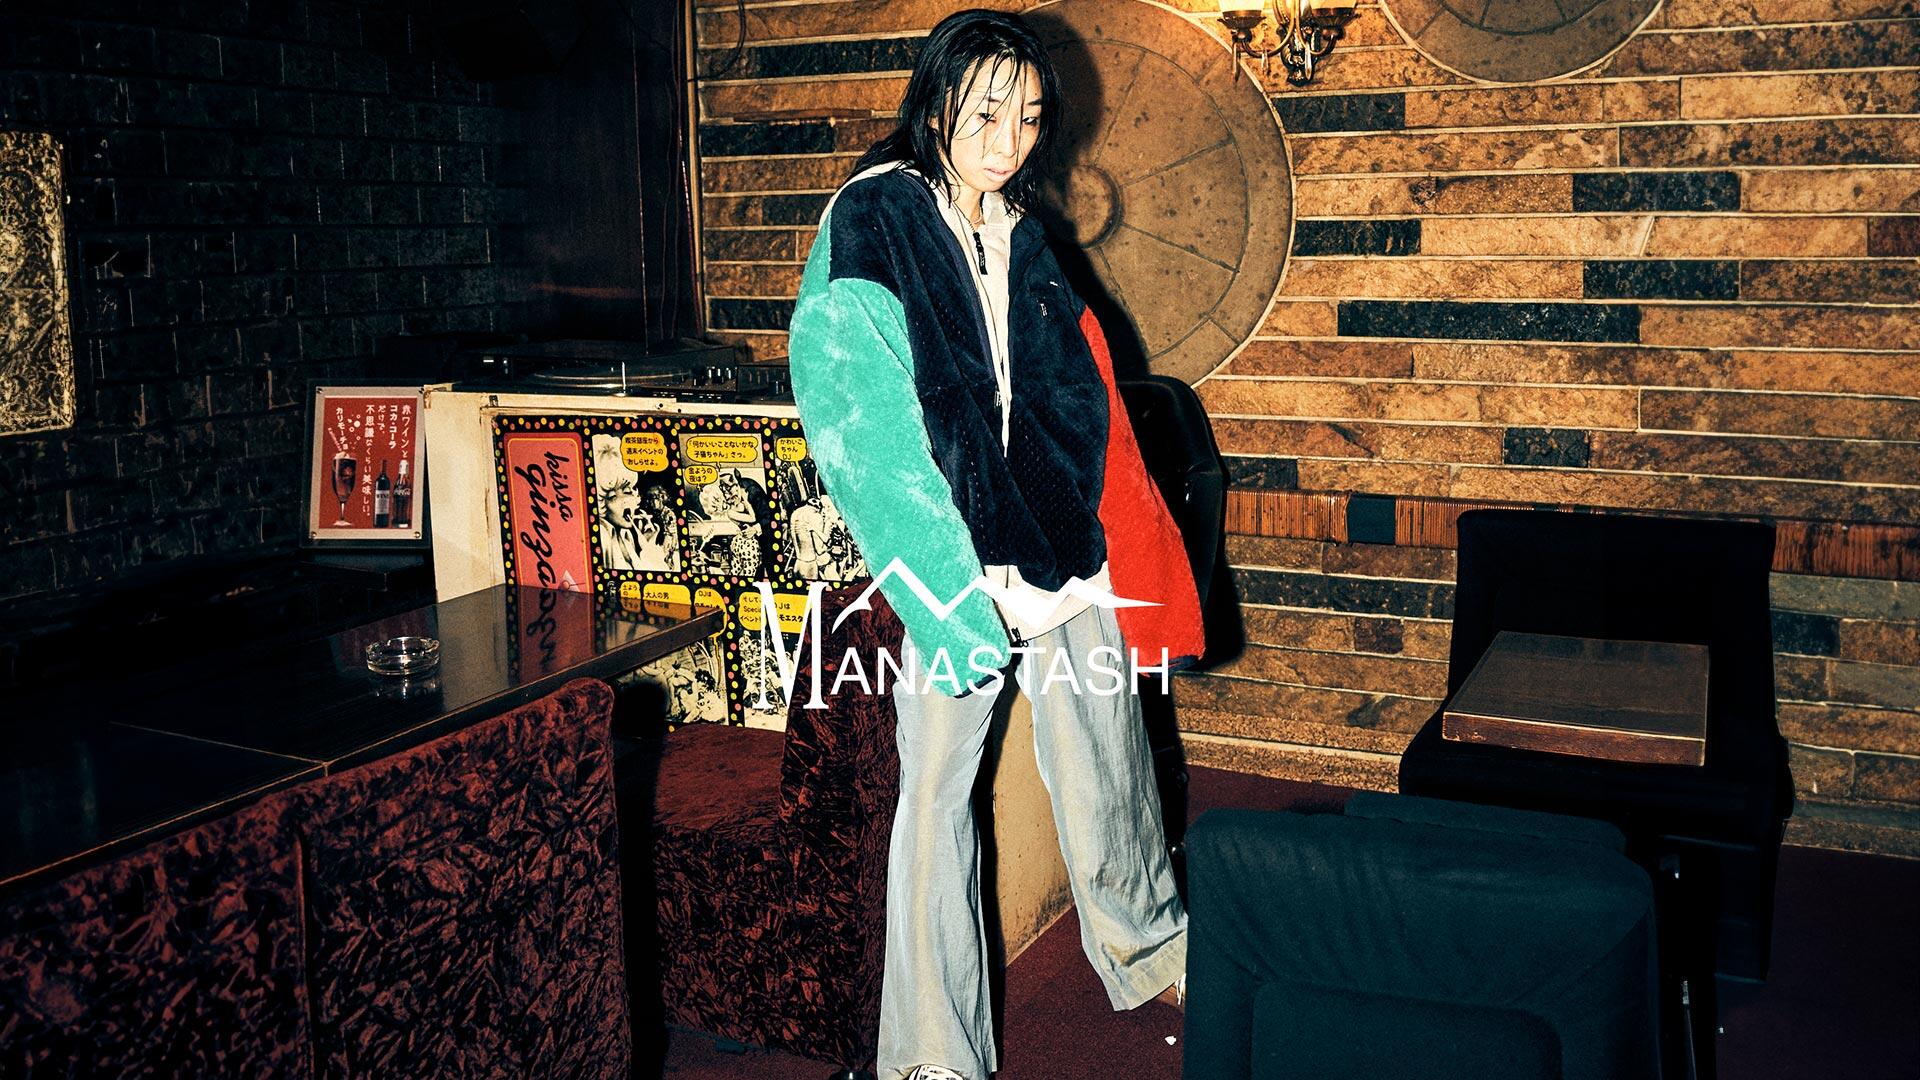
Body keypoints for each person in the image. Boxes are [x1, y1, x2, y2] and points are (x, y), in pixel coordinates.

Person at [786, 10, 1206, 1080]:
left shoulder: (1023, 229)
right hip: (954, 557)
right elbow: (860, 423)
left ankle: (1151, 947)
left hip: (1060, 549)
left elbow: (1083, 393)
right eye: (985, 112)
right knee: (936, 803)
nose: (1008, 138)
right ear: (935, 103)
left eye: (1027, 116)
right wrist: (939, 589)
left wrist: (1115, 538)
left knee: (1111, 763)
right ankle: (934, 1051)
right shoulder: (875, 214)